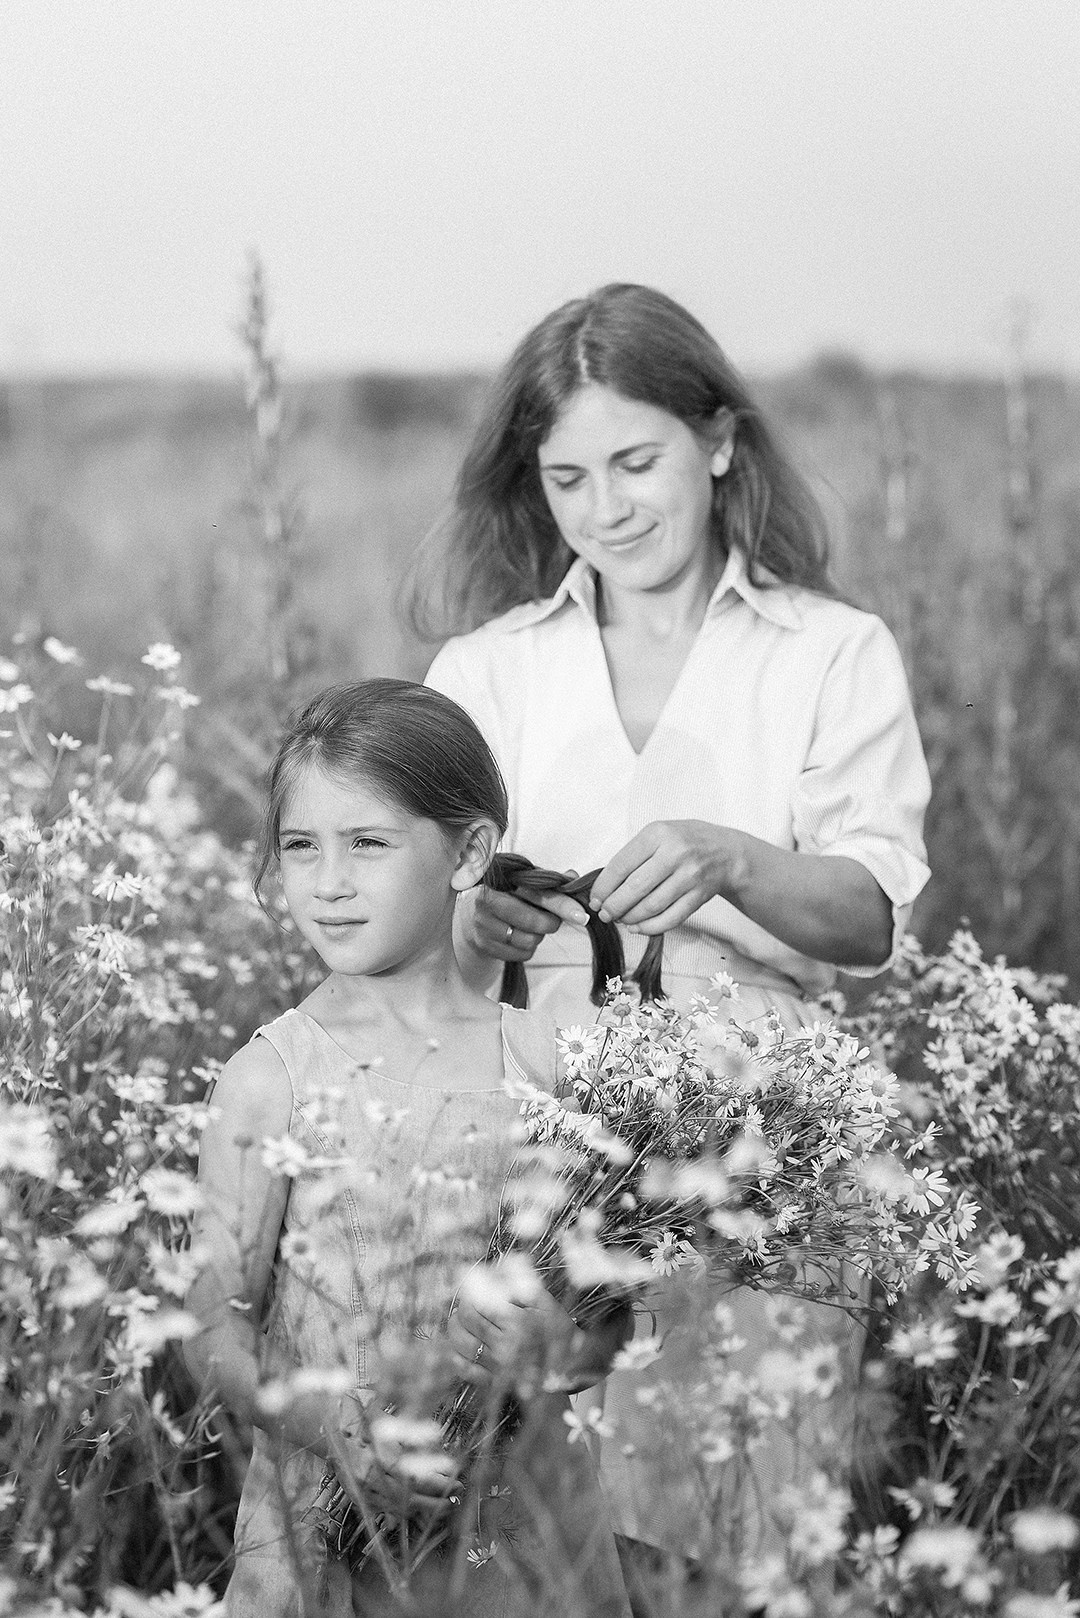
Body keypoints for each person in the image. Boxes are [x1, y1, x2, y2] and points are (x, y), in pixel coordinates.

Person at [419, 284, 932, 1591]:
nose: (607, 507)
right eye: (568, 477)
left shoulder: (828, 651)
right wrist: (475, 913)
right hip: (525, 1125)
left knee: (719, 1531)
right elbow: (416, 928)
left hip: (762, 1126)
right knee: (504, 1533)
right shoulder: (488, 669)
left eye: (636, 462)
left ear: (717, 440)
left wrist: (734, 859)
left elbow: (870, 916)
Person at [184, 679, 631, 1617]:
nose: (329, 882)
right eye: (300, 846)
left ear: (469, 852)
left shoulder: (550, 1067)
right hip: (327, 1530)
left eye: (369, 843)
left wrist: (558, 1348)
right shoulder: (272, 1080)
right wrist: (336, 1428)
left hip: (524, 1542)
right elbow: (213, 1327)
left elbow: (609, 1320)